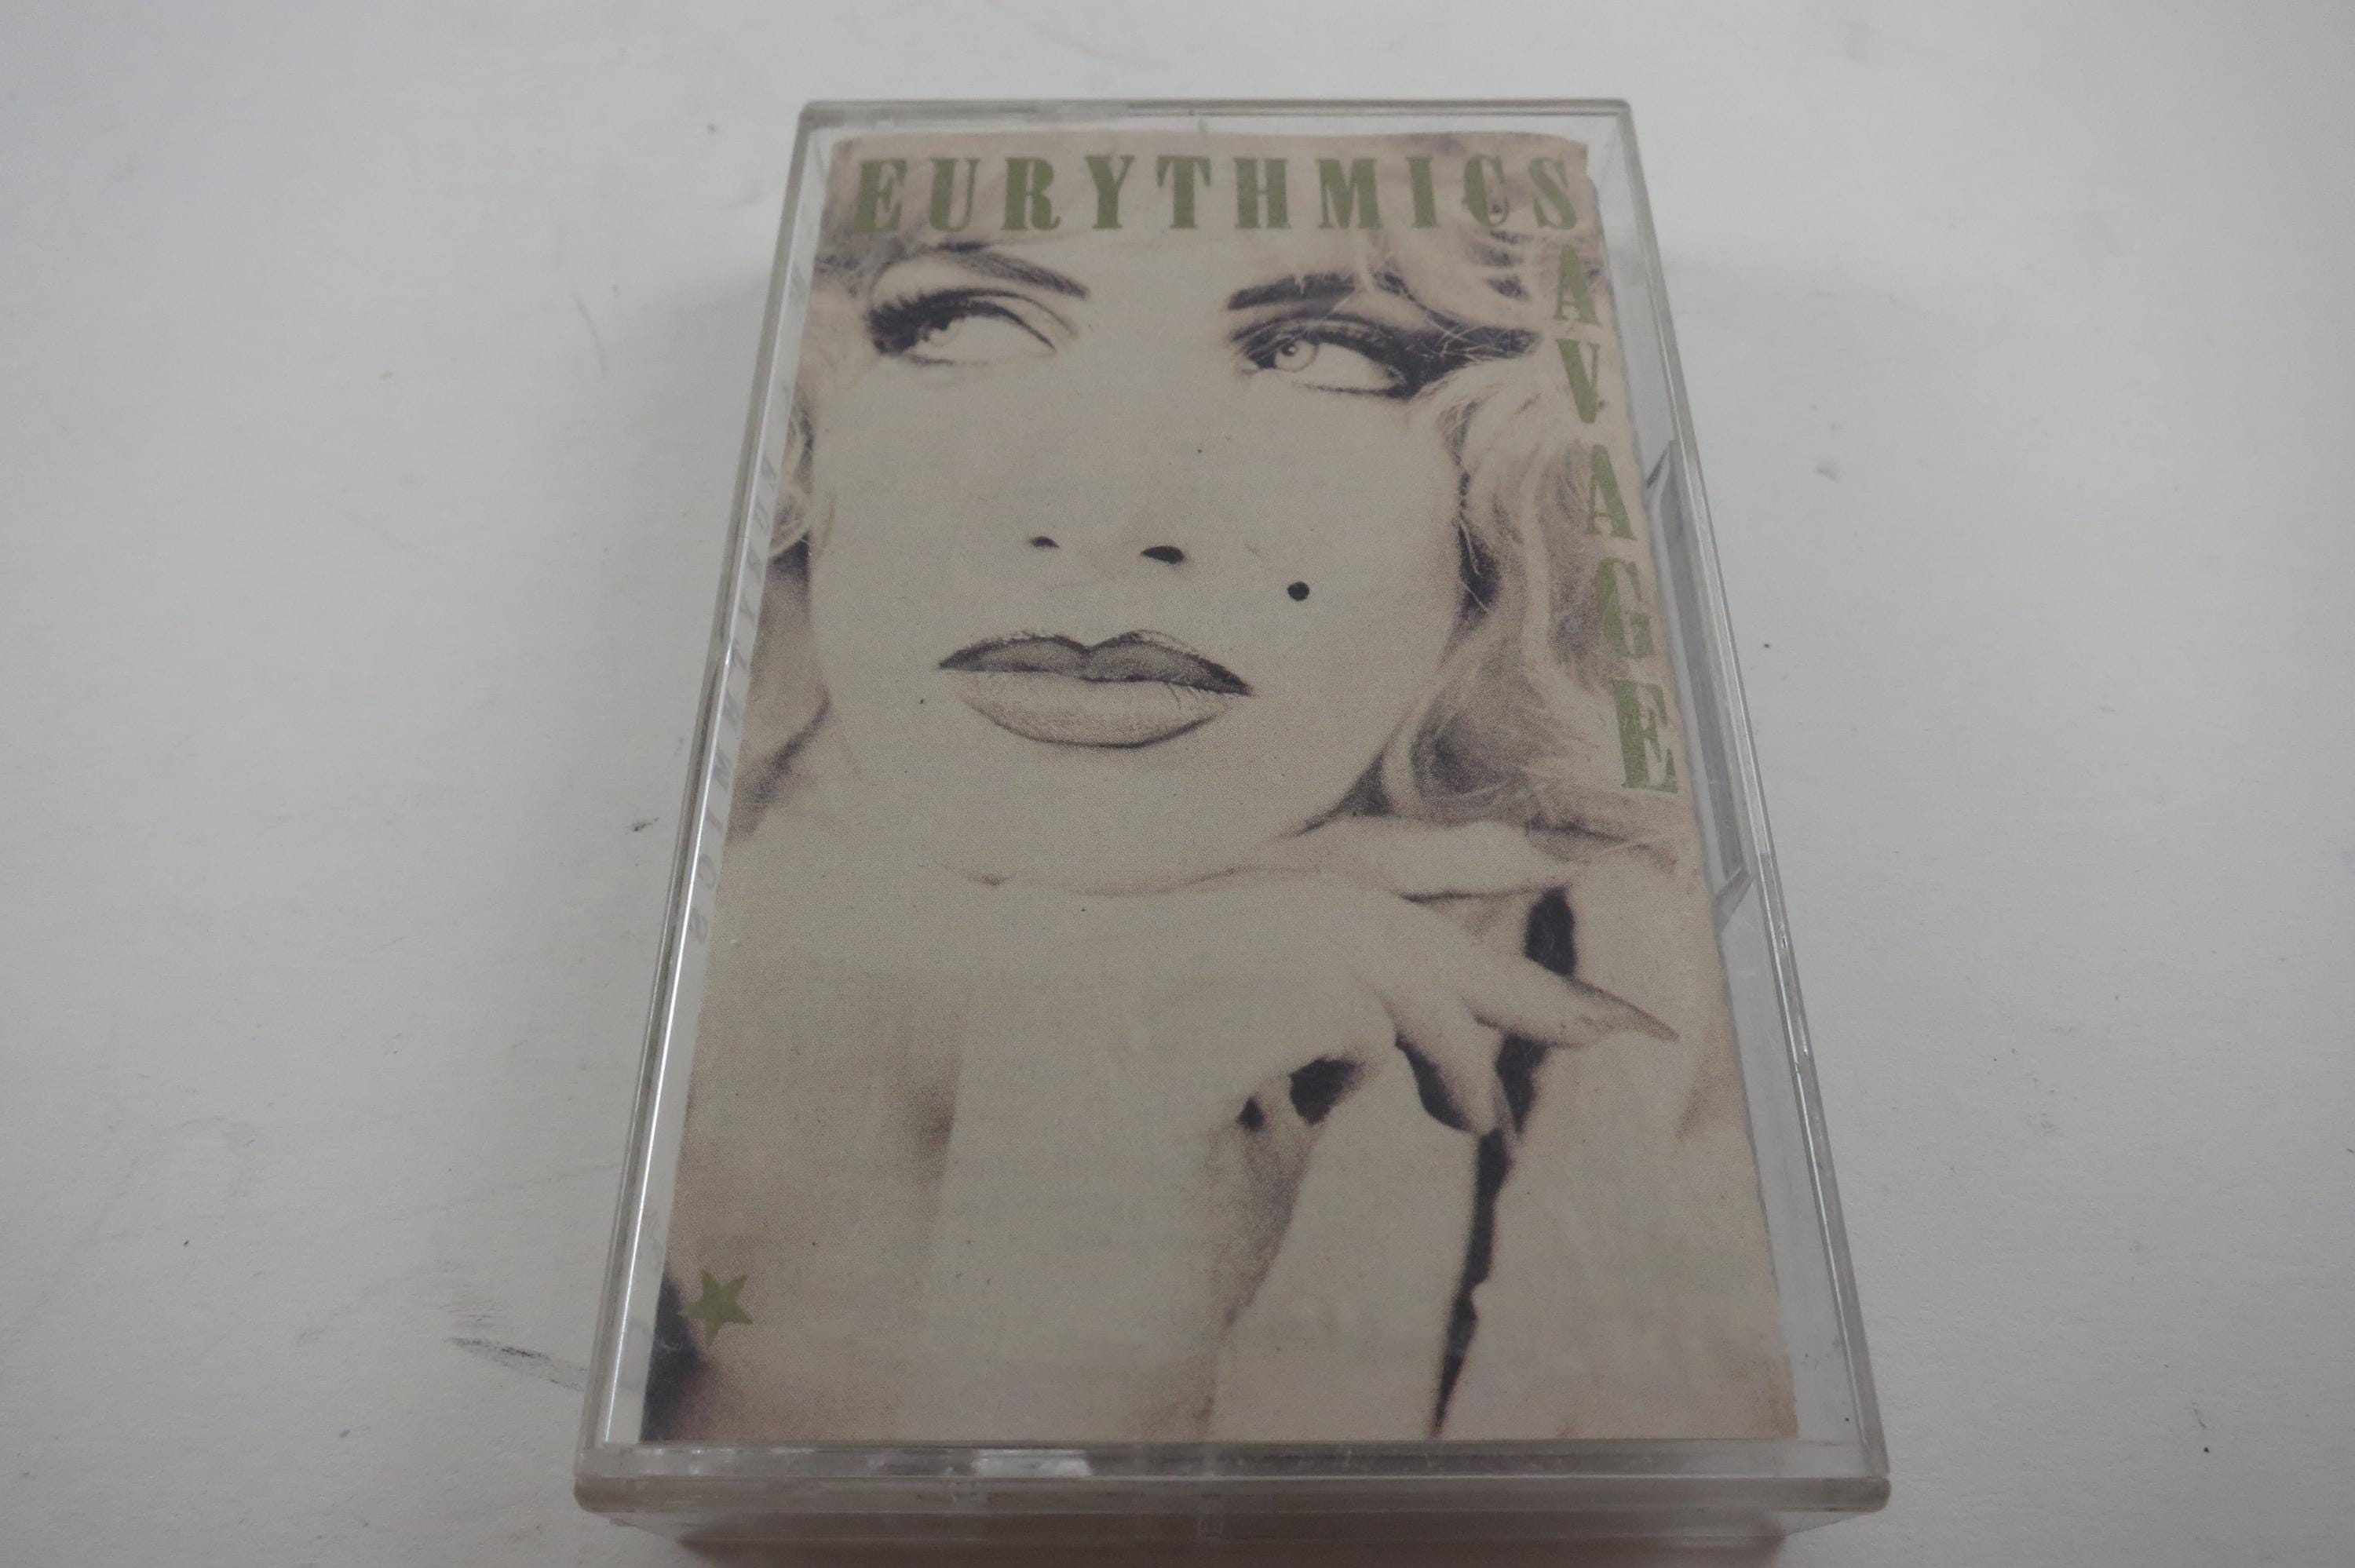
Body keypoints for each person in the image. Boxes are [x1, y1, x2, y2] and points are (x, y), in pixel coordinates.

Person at [649, 137, 1793, 1443]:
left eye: (1324, 350)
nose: (1106, 517)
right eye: (968, 323)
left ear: (1504, 491)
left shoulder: (1649, 996)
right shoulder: (651, 980)